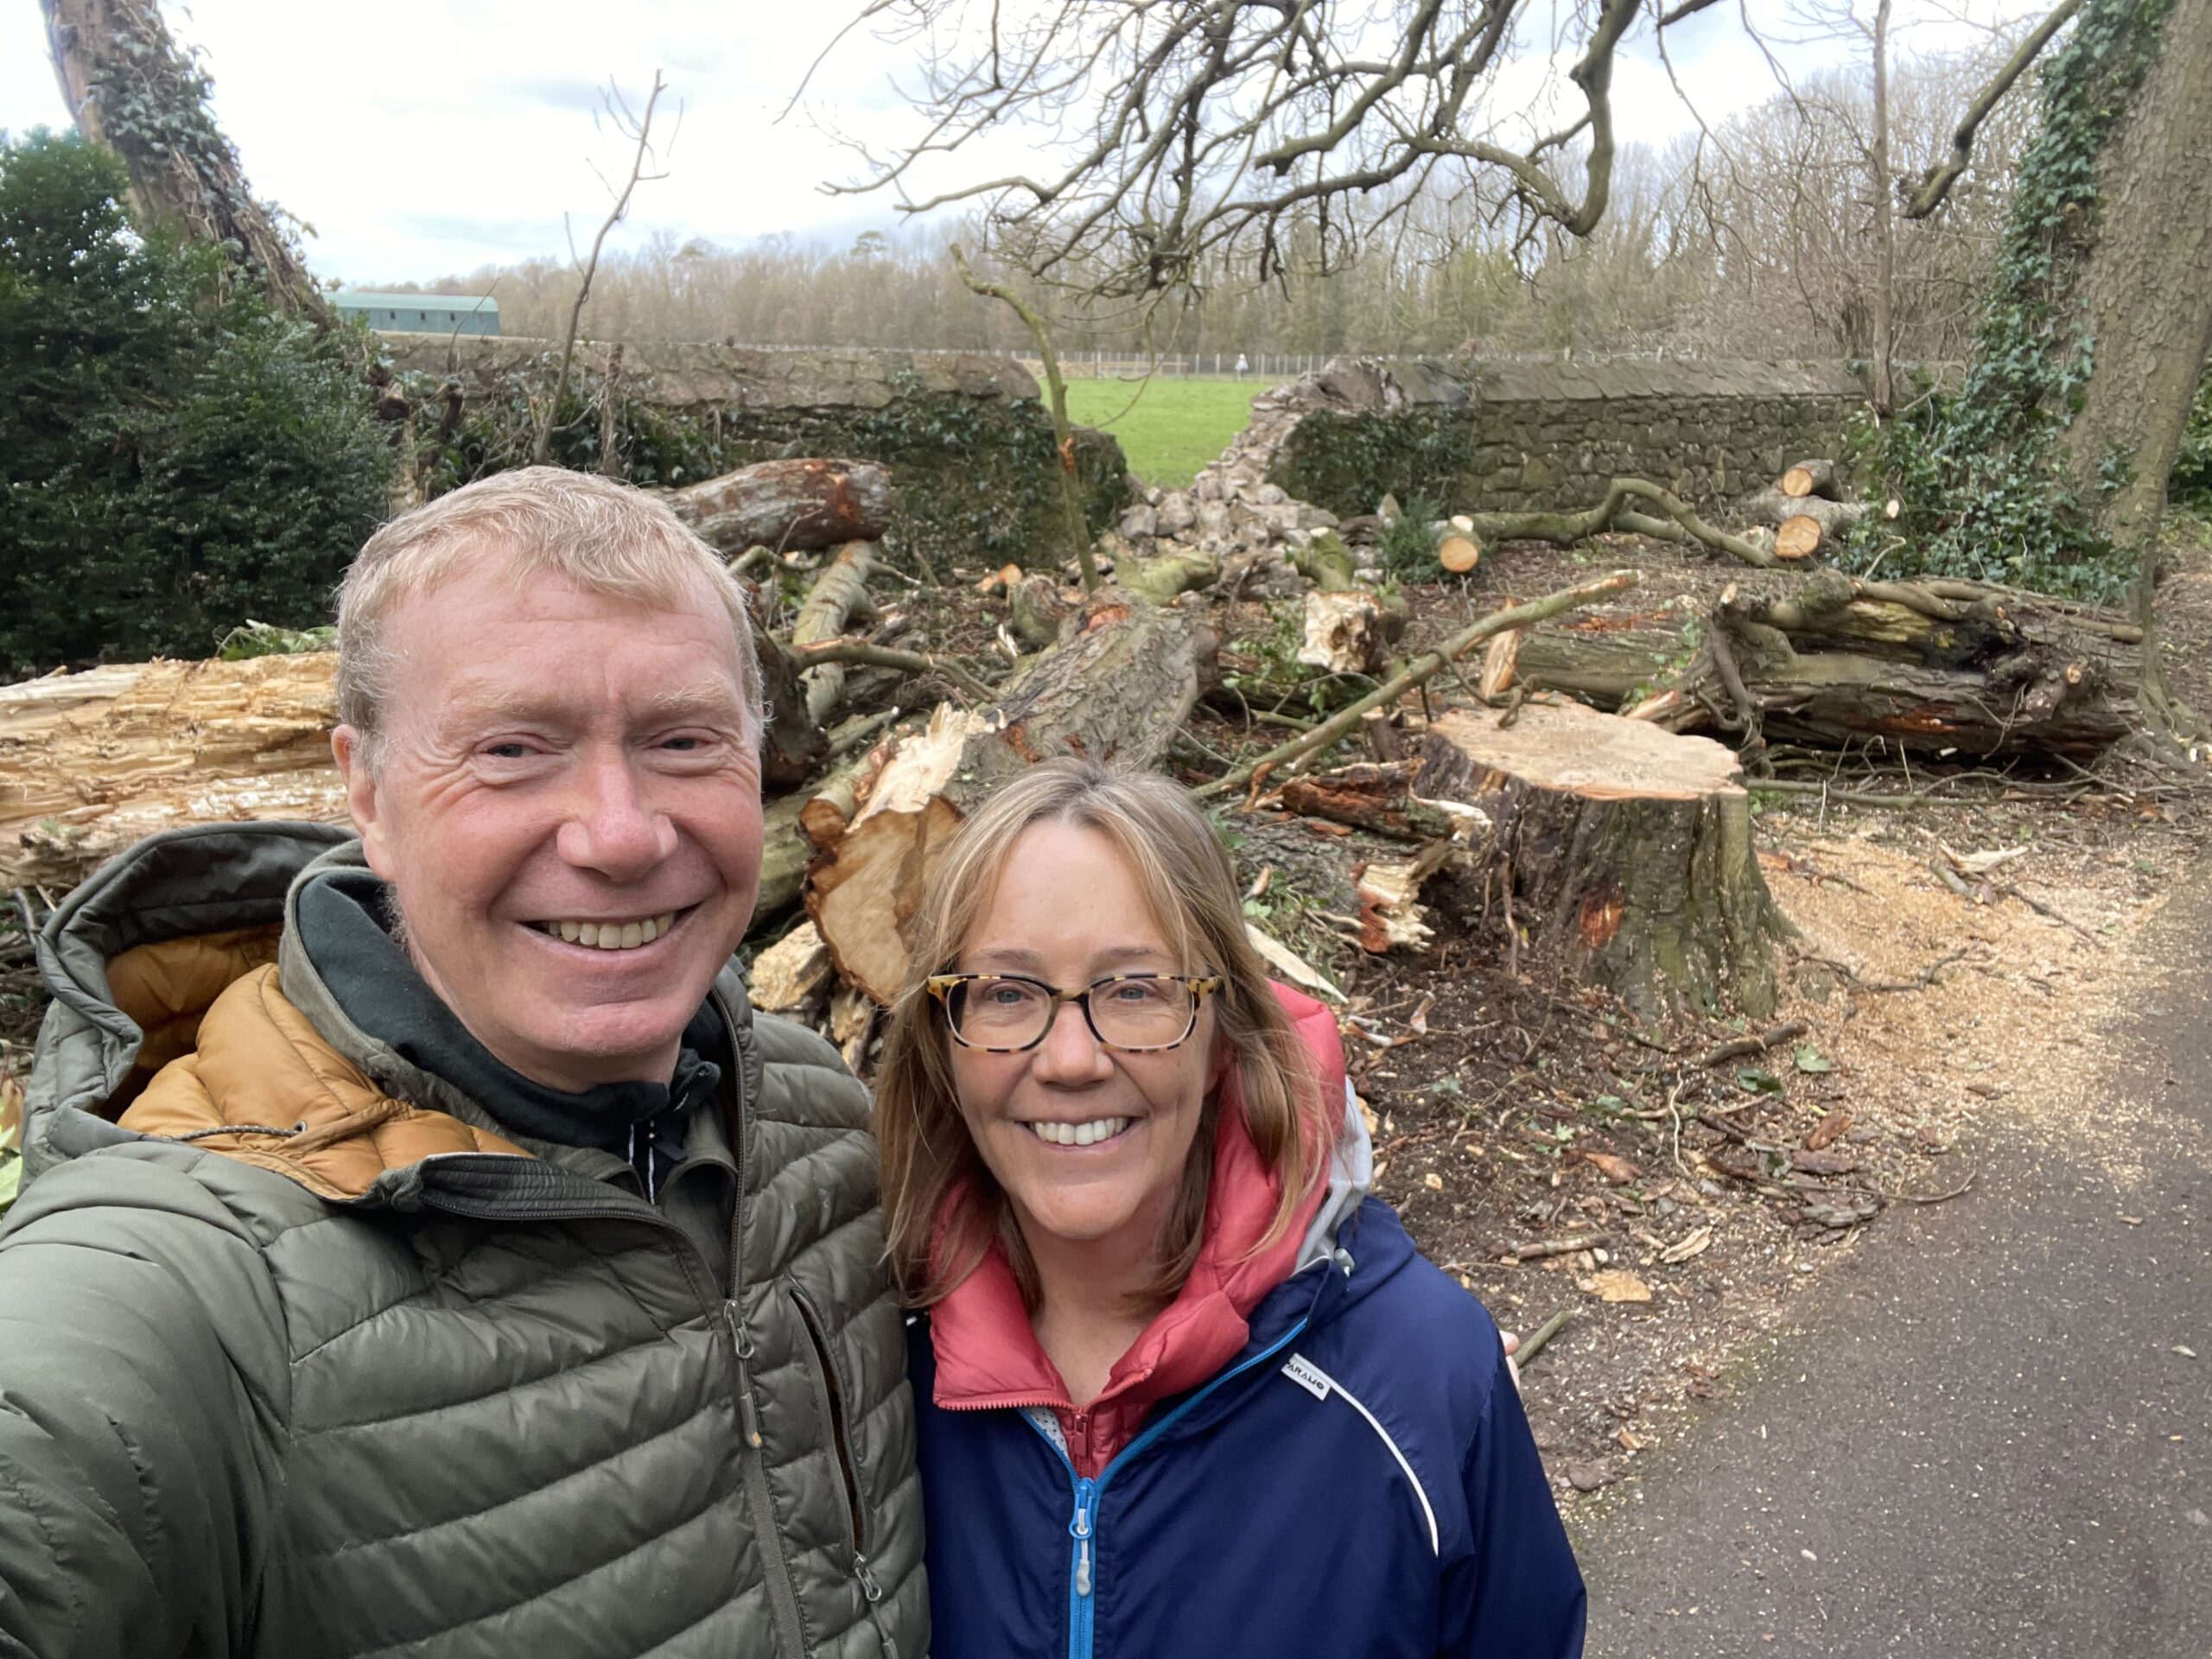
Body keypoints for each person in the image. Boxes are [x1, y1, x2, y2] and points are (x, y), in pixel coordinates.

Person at [0, 469, 925, 1657]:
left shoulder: (820, 1120)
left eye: (684, 741)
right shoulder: (195, 1282)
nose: (620, 834)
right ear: (368, 792)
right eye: (513, 749)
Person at [874, 760, 1586, 1659]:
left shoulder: (1423, 1380)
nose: (1069, 1061)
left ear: (1223, 1040)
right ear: (942, 1045)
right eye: (1007, 993)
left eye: (1135, 989)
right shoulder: (866, 1364)